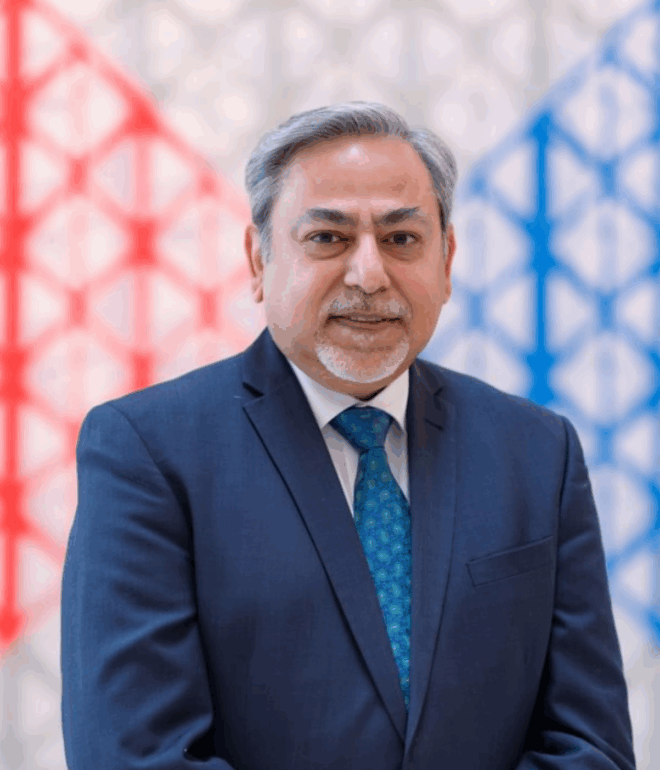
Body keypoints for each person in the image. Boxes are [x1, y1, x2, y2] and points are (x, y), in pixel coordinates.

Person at [61, 102, 635, 770]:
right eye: (329, 238)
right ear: (259, 258)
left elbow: (590, 747)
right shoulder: (147, 452)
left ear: (446, 260)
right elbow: (135, 757)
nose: (369, 275)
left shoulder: (538, 453)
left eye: (402, 240)